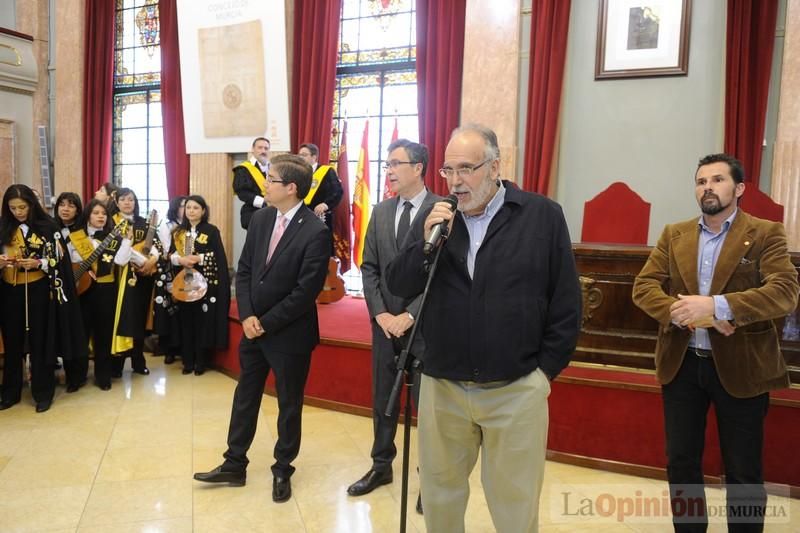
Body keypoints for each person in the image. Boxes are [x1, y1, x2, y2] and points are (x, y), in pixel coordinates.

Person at [385, 124, 582, 533]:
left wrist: (542, 374)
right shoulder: (436, 216)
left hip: (515, 387)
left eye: (466, 169)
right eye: (448, 170)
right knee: (439, 497)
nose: (455, 182)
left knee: (514, 503)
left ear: (495, 167)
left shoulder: (541, 216)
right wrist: (424, 241)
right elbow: (400, 285)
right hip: (444, 385)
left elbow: (566, 304)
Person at [632, 153, 799, 532]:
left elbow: (785, 292)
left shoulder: (765, 233)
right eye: (701, 181)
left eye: (718, 180)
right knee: (682, 463)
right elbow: (644, 287)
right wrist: (685, 312)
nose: (707, 187)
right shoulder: (674, 234)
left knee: (742, 469)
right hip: (683, 364)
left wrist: (717, 307)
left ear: (738, 189)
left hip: (742, 368)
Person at [194, 154, 331, 504]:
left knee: (288, 404)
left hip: (289, 334)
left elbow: (306, 291)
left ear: (291, 188)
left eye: (270, 180)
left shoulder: (316, 231)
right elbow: (246, 268)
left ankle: (283, 467)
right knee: (245, 397)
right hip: (254, 328)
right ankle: (234, 462)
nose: (264, 184)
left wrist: (266, 322)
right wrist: (249, 315)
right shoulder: (260, 219)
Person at [346, 139, 440, 514]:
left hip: (426, 327)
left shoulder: (443, 210)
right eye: (387, 164)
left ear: (418, 168)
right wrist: (381, 313)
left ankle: (430, 480)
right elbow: (369, 267)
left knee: (427, 409)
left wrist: (411, 314)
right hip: (385, 326)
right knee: (383, 400)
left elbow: (442, 273)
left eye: (395, 163)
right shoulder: (382, 210)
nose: (388, 171)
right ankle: (381, 466)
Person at [0, 184, 85, 412]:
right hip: (9, 291)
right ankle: (10, 392)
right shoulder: (3, 227)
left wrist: (39, 263)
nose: (18, 212)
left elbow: (61, 262)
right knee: (12, 343)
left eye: (22, 207)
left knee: (40, 342)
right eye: (13, 208)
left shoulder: (48, 226)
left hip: (38, 289)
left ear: (31, 205)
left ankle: (43, 392)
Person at [73, 199, 133, 391]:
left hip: (106, 290)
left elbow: (122, 261)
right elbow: (72, 263)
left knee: (103, 334)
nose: (100, 216)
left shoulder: (114, 238)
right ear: (88, 215)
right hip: (82, 290)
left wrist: (127, 241)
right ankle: (77, 376)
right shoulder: (76, 237)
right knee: (80, 332)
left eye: (103, 214)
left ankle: (103, 376)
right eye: (96, 213)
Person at [169, 195, 230, 375]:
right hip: (184, 283)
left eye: (196, 208)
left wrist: (199, 258)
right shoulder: (178, 232)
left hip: (205, 283)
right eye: (188, 208)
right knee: (186, 321)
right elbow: (170, 255)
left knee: (202, 322)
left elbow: (218, 256)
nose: (191, 211)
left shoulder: (211, 231)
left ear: (203, 211)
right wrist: (180, 259)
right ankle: (187, 361)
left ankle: (201, 362)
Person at [110, 188, 160, 377]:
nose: (127, 203)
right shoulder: (110, 222)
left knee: (138, 319)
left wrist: (151, 262)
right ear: (116, 202)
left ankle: (138, 360)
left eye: (131, 199)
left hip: (141, 278)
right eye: (123, 199)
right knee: (120, 319)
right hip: (117, 277)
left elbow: (157, 246)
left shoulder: (143, 223)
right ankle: (117, 363)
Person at [54, 191, 89, 392]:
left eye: (71, 205)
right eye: (62, 205)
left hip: (80, 288)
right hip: (57, 289)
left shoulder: (82, 232)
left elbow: (86, 259)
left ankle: (78, 375)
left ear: (78, 210)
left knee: (79, 332)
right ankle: (65, 370)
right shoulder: (49, 229)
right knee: (62, 331)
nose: (65, 209)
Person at [156, 195, 186, 365]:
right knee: (170, 311)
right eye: (183, 206)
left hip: (187, 271)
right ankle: (170, 349)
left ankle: (183, 346)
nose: (186, 209)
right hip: (170, 270)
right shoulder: (167, 227)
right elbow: (166, 251)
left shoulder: (191, 227)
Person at [297, 143, 344, 240]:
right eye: (299, 155)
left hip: (319, 216)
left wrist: (325, 205)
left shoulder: (326, 171)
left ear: (314, 157)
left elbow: (337, 192)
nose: (300, 158)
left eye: (304, 155)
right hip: (300, 217)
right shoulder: (297, 173)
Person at [232, 137, 271, 229]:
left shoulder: (272, 168)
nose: (263, 151)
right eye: (260, 148)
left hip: (272, 212)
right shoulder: (243, 169)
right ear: (253, 149)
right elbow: (242, 192)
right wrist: (264, 202)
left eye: (266, 148)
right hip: (253, 212)